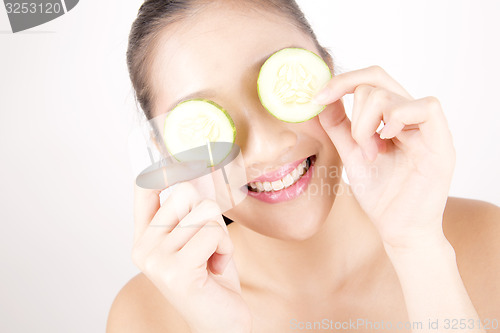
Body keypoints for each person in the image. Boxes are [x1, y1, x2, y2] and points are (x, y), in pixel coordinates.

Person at [107, 0, 500, 332]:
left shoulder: (488, 242)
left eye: (284, 82)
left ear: (328, 70)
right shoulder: (142, 317)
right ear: (166, 151)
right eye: (205, 125)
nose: (264, 146)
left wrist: (418, 248)